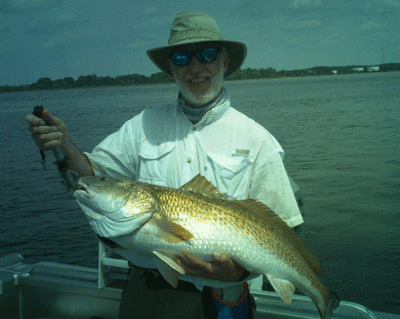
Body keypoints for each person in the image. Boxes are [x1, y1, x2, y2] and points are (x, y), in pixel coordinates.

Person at [26, 11, 304, 319]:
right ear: (171, 67)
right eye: (183, 58)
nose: (196, 68)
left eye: (207, 55)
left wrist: (236, 273)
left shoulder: (257, 139)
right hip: (144, 294)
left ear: (224, 61)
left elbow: (283, 230)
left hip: (221, 298)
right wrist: (63, 142)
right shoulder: (142, 125)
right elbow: (93, 175)